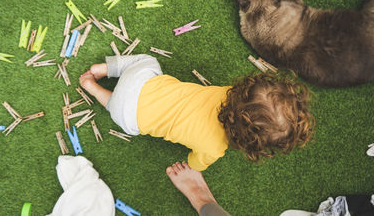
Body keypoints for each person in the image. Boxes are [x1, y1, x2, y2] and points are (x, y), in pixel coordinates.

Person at [79, 54, 315, 171]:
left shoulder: (227, 93)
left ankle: (105, 68)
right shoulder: (214, 149)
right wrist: (193, 165)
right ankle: (95, 89)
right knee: (118, 109)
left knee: (147, 60)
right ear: (252, 145)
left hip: (139, 82)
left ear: (243, 90)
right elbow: (195, 163)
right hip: (127, 117)